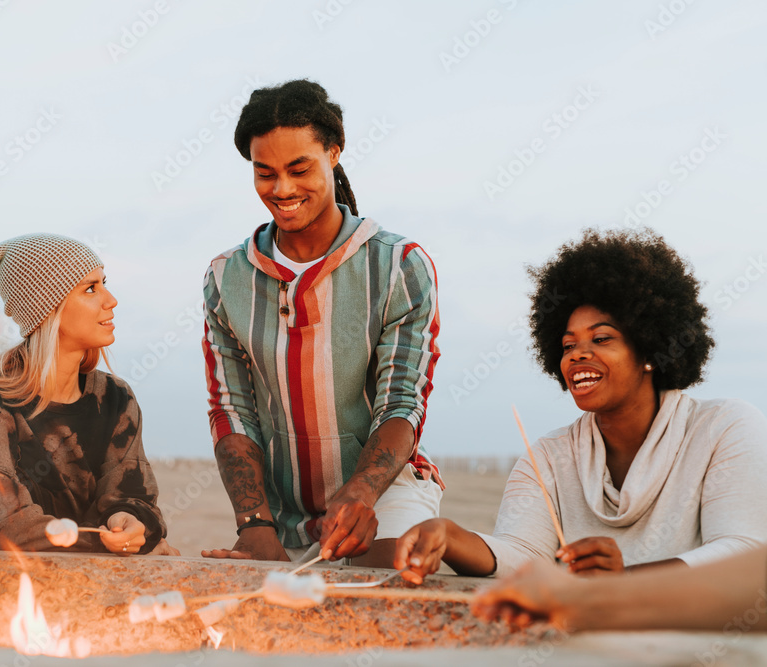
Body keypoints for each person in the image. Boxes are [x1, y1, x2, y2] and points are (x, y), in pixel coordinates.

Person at [395, 227, 767, 581]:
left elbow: (743, 551)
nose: (577, 355)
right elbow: (522, 555)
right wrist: (450, 536)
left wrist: (627, 581)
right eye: (568, 345)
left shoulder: (725, 428)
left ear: (650, 350)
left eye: (602, 339)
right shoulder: (548, 459)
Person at [200, 79, 444, 567]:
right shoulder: (226, 277)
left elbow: (402, 401)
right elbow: (232, 410)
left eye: (299, 168)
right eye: (264, 172)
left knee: (377, 598)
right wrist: (254, 524)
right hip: (278, 513)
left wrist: (360, 495)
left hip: (384, 497)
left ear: (334, 152)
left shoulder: (399, 265)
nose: (282, 189)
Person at [0, 233, 176, 555]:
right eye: (90, 288)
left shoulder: (114, 397)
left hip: (77, 592)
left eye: (104, 283)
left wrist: (128, 521)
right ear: (46, 308)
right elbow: (1, 527)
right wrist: (109, 545)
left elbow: (132, 492)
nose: (110, 299)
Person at [472, 546, 767, 633]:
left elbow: (745, 550)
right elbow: (519, 548)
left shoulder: (725, 425)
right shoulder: (551, 450)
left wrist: (575, 597)